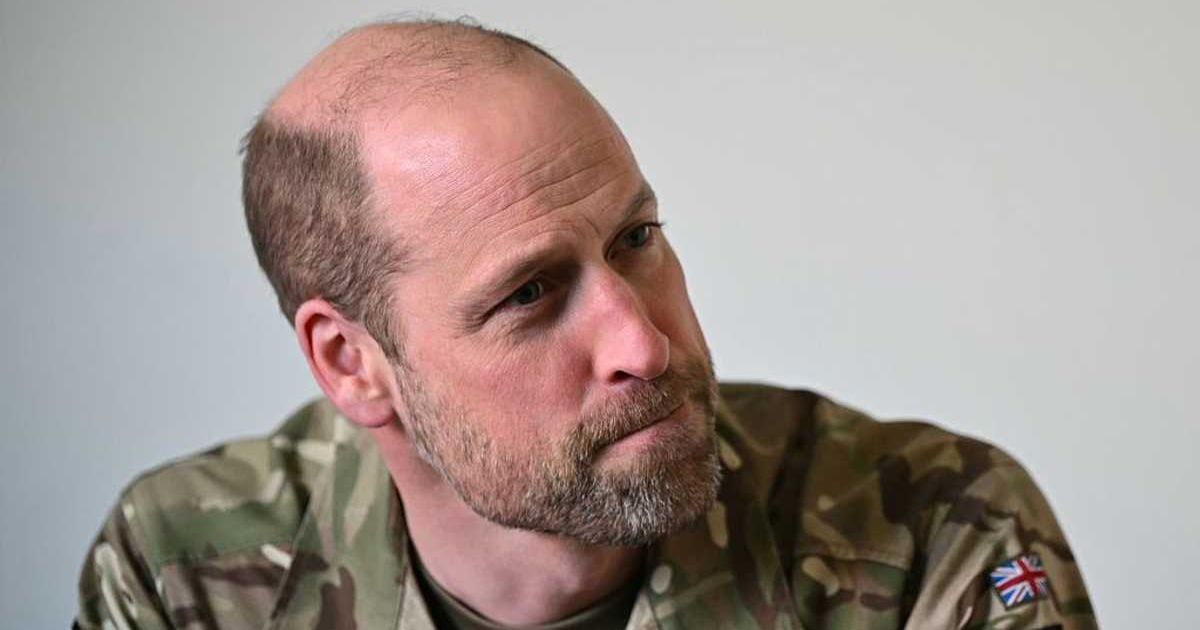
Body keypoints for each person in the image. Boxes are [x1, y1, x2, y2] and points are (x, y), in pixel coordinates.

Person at [74, 18, 1096, 630]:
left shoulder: (931, 532)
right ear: (353, 364)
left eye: (636, 238)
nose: (645, 344)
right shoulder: (187, 576)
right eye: (528, 295)